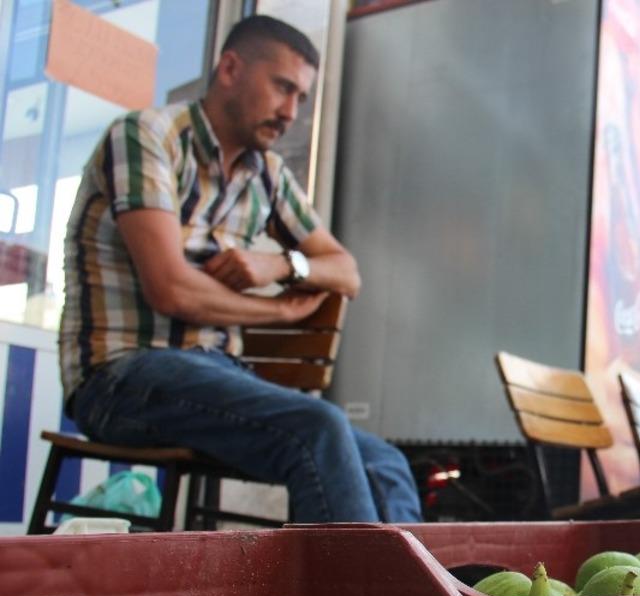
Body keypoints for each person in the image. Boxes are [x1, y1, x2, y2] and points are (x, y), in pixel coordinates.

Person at [58, 15, 422, 523]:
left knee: (386, 461)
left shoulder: (266, 175)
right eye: (283, 88)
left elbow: (345, 271)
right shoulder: (147, 136)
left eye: (301, 97)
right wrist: (279, 312)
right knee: (317, 425)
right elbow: (170, 290)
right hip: (120, 376)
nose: (292, 111)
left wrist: (277, 262)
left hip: (214, 373)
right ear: (230, 68)